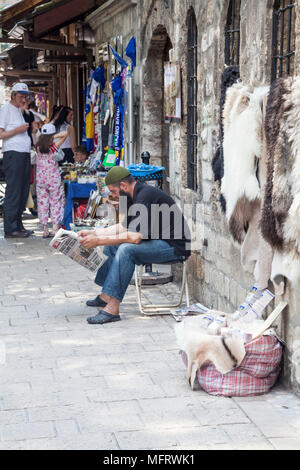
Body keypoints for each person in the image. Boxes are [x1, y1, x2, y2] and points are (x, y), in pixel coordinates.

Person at [79, 166, 191, 325]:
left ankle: (112, 309)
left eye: (114, 191)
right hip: (159, 242)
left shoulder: (144, 196)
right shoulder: (131, 196)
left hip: (175, 247)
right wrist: (94, 233)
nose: (113, 196)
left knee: (126, 250)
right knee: (112, 246)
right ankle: (106, 295)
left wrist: (99, 241)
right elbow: (123, 227)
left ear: (123, 186)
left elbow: (136, 238)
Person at [0, 82, 33, 238]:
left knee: (23, 190)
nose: (24, 99)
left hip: (23, 153)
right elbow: (1, 134)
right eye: (21, 96)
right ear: (13, 95)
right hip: (13, 153)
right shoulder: (5, 109)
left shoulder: (18, 110)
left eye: (26, 96)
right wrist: (18, 130)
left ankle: (18, 225)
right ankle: (10, 227)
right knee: (14, 190)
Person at [34, 123, 67, 238]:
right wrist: (54, 137)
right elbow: (65, 133)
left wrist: (46, 136)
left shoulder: (38, 146)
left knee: (42, 203)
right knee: (55, 202)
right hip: (53, 179)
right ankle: (54, 228)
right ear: (52, 135)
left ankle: (44, 229)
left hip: (41, 179)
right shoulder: (53, 147)